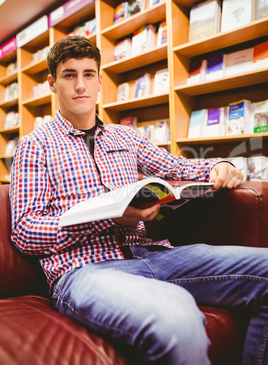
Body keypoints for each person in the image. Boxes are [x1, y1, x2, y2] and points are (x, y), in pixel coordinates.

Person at [10, 35, 268, 365]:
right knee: (176, 319)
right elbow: (25, 232)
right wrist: (105, 217)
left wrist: (220, 165)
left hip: (154, 255)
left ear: (100, 80)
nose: (80, 85)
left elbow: (179, 166)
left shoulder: (127, 137)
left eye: (88, 74)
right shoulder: (35, 146)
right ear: (52, 83)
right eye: (69, 75)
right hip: (84, 270)